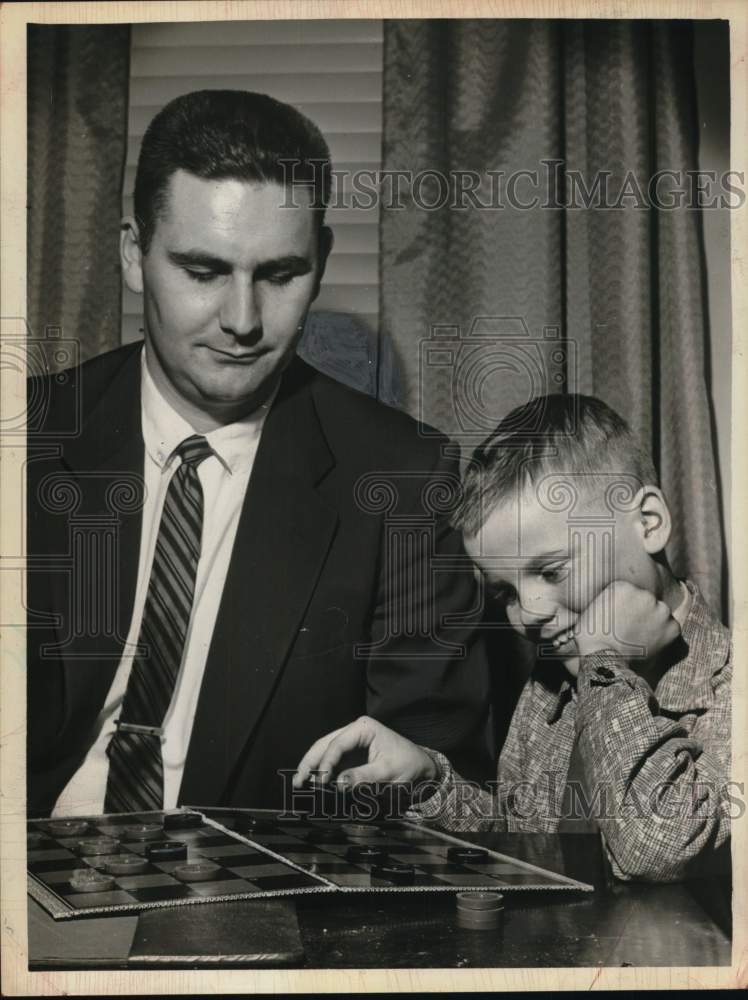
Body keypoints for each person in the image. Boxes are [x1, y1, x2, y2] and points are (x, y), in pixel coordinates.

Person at [26, 89, 491, 818]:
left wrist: (425, 771)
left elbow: (434, 755)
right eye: (203, 271)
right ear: (131, 253)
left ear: (322, 260)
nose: (242, 321)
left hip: (257, 901)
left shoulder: (402, 477)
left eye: (279, 275)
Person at [294, 394, 732, 882]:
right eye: (505, 591)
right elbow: (527, 848)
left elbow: (657, 848)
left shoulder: (731, 688)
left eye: (551, 570)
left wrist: (607, 662)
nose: (530, 613)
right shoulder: (551, 685)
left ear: (649, 523)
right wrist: (430, 782)